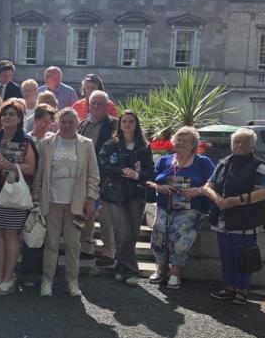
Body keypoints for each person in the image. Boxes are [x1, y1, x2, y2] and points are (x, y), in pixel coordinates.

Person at [32, 108, 99, 298]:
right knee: (51, 243)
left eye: (71, 122)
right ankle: (47, 280)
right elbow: (39, 172)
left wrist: (91, 198)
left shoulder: (86, 144)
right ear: (57, 123)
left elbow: (93, 174)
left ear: (77, 123)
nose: (67, 125)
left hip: (75, 203)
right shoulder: (46, 143)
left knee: (73, 245)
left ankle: (72, 280)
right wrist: (36, 196)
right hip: (51, 200)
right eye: (63, 122)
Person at [202, 128, 265, 305]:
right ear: (231, 144)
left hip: (245, 220)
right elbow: (207, 186)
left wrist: (237, 200)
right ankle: (229, 288)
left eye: (244, 142)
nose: (240, 145)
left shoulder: (258, 165)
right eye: (237, 142)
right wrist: (218, 199)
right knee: (226, 257)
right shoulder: (223, 163)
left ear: (252, 146)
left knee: (242, 257)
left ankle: (242, 290)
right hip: (222, 218)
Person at [0, 99, 37, 295]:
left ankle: (8, 276)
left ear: (20, 118)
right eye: (4, 114)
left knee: (11, 235)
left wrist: (10, 166)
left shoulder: (27, 142)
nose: (6, 117)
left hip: (15, 194)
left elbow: (31, 167)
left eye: (12, 114)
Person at [146, 126, 215, 290]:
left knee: (180, 230)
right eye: (178, 140)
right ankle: (161, 267)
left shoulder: (203, 162)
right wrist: (158, 187)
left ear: (194, 144)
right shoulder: (164, 160)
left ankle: (175, 271)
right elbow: (148, 180)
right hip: (165, 205)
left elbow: (213, 184)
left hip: (192, 207)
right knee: (160, 230)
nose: (181, 143)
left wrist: (197, 191)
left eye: (185, 141)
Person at [97, 111, 154, 287]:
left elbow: (150, 171)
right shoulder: (111, 144)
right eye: (124, 121)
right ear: (119, 124)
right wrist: (124, 171)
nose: (127, 124)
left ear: (136, 124)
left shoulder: (144, 146)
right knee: (123, 232)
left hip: (136, 193)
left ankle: (121, 268)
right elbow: (103, 165)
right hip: (115, 194)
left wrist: (136, 175)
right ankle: (131, 271)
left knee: (133, 233)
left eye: (131, 121)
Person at [79, 90, 117, 266]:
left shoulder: (114, 125)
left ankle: (109, 252)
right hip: (84, 175)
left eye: (99, 104)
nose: (95, 106)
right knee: (87, 212)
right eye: (92, 103)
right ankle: (86, 248)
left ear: (107, 106)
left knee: (105, 215)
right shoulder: (82, 124)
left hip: (105, 176)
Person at [21, 103, 57, 286]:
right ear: (34, 120)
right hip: (25, 191)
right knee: (29, 231)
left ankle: (44, 273)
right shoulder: (26, 140)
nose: (45, 125)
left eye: (49, 122)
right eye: (42, 121)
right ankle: (27, 273)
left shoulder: (53, 141)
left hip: (47, 193)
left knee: (44, 233)